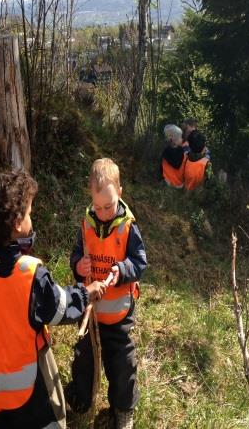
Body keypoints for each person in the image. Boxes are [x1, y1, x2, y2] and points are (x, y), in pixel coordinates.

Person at [0, 170, 106, 429]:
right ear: (17, 222)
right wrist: (86, 292)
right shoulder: (30, 273)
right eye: (29, 213)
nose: (31, 218)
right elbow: (59, 306)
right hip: (28, 396)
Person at [65, 158, 147, 429]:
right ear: (91, 199)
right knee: (84, 362)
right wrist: (78, 265)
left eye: (109, 206)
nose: (102, 213)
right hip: (90, 314)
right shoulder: (87, 223)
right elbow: (77, 254)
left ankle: (123, 409)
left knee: (122, 366)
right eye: (97, 207)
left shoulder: (128, 226)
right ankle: (79, 401)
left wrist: (120, 271)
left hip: (119, 316)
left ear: (120, 193)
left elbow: (139, 262)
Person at [160, 124, 185, 188]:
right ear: (174, 140)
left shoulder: (165, 152)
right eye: (180, 137)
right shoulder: (182, 151)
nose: (182, 139)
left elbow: (160, 169)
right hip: (179, 184)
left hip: (167, 182)